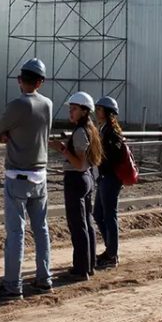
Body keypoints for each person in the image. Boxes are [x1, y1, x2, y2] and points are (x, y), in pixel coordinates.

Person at [0, 58, 53, 300]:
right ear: (40, 82)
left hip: (17, 176)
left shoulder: (17, 104)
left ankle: (13, 286)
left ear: (20, 80)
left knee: (16, 233)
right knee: (41, 229)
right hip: (41, 176)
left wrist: (6, 134)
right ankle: (44, 278)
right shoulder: (47, 104)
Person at [50, 91, 103, 281]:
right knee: (86, 223)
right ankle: (89, 265)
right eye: (70, 109)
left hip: (76, 179)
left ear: (84, 111)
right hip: (86, 179)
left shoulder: (80, 132)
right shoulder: (89, 129)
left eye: (74, 109)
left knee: (78, 225)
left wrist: (62, 149)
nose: (70, 113)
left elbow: (79, 163)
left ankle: (81, 269)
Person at [93, 96, 124, 269]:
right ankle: (110, 249)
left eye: (99, 109)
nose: (97, 112)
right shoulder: (104, 129)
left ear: (107, 112)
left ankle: (112, 255)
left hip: (110, 178)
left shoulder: (112, 133)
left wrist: (100, 163)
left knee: (109, 216)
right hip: (105, 178)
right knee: (98, 214)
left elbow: (113, 157)